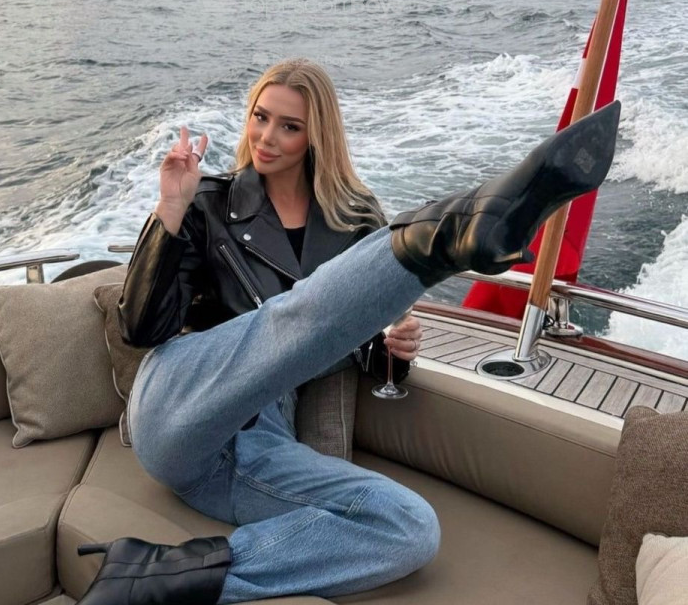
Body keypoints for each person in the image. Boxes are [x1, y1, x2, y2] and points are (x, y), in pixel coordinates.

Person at [76, 60, 620, 605]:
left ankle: (155, 578)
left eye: (289, 126)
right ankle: (444, 236)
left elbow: (354, 347)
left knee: (410, 526)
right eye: (260, 117)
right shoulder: (207, 203)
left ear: (317, 137)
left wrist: (392, 350)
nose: (267, 137)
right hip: (180, 401)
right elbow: (142, 328)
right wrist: (171, 207)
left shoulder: (355, 223)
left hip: (254, 446)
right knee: (285, 318)